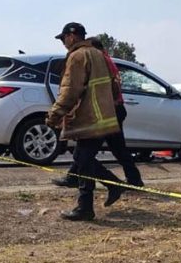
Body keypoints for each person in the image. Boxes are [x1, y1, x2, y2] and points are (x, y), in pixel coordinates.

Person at [46, 22, 127, 221]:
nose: (63, 43)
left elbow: (70, 90)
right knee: (83, 159)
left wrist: (55, 114)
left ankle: (88, 206)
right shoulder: (99, 54)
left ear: (72, 36)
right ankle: (109, 188)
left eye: (63, 38)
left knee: (83, 161)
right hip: (103, 116)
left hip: (88, 118)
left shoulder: (77, 56)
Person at [52, 37, 143, 190]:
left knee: (89, 151)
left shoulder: (100, 61)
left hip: (108, 111)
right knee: (90, 150)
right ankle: (75, 178)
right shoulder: (104, 60)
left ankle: (123, 183)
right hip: (109, 110)